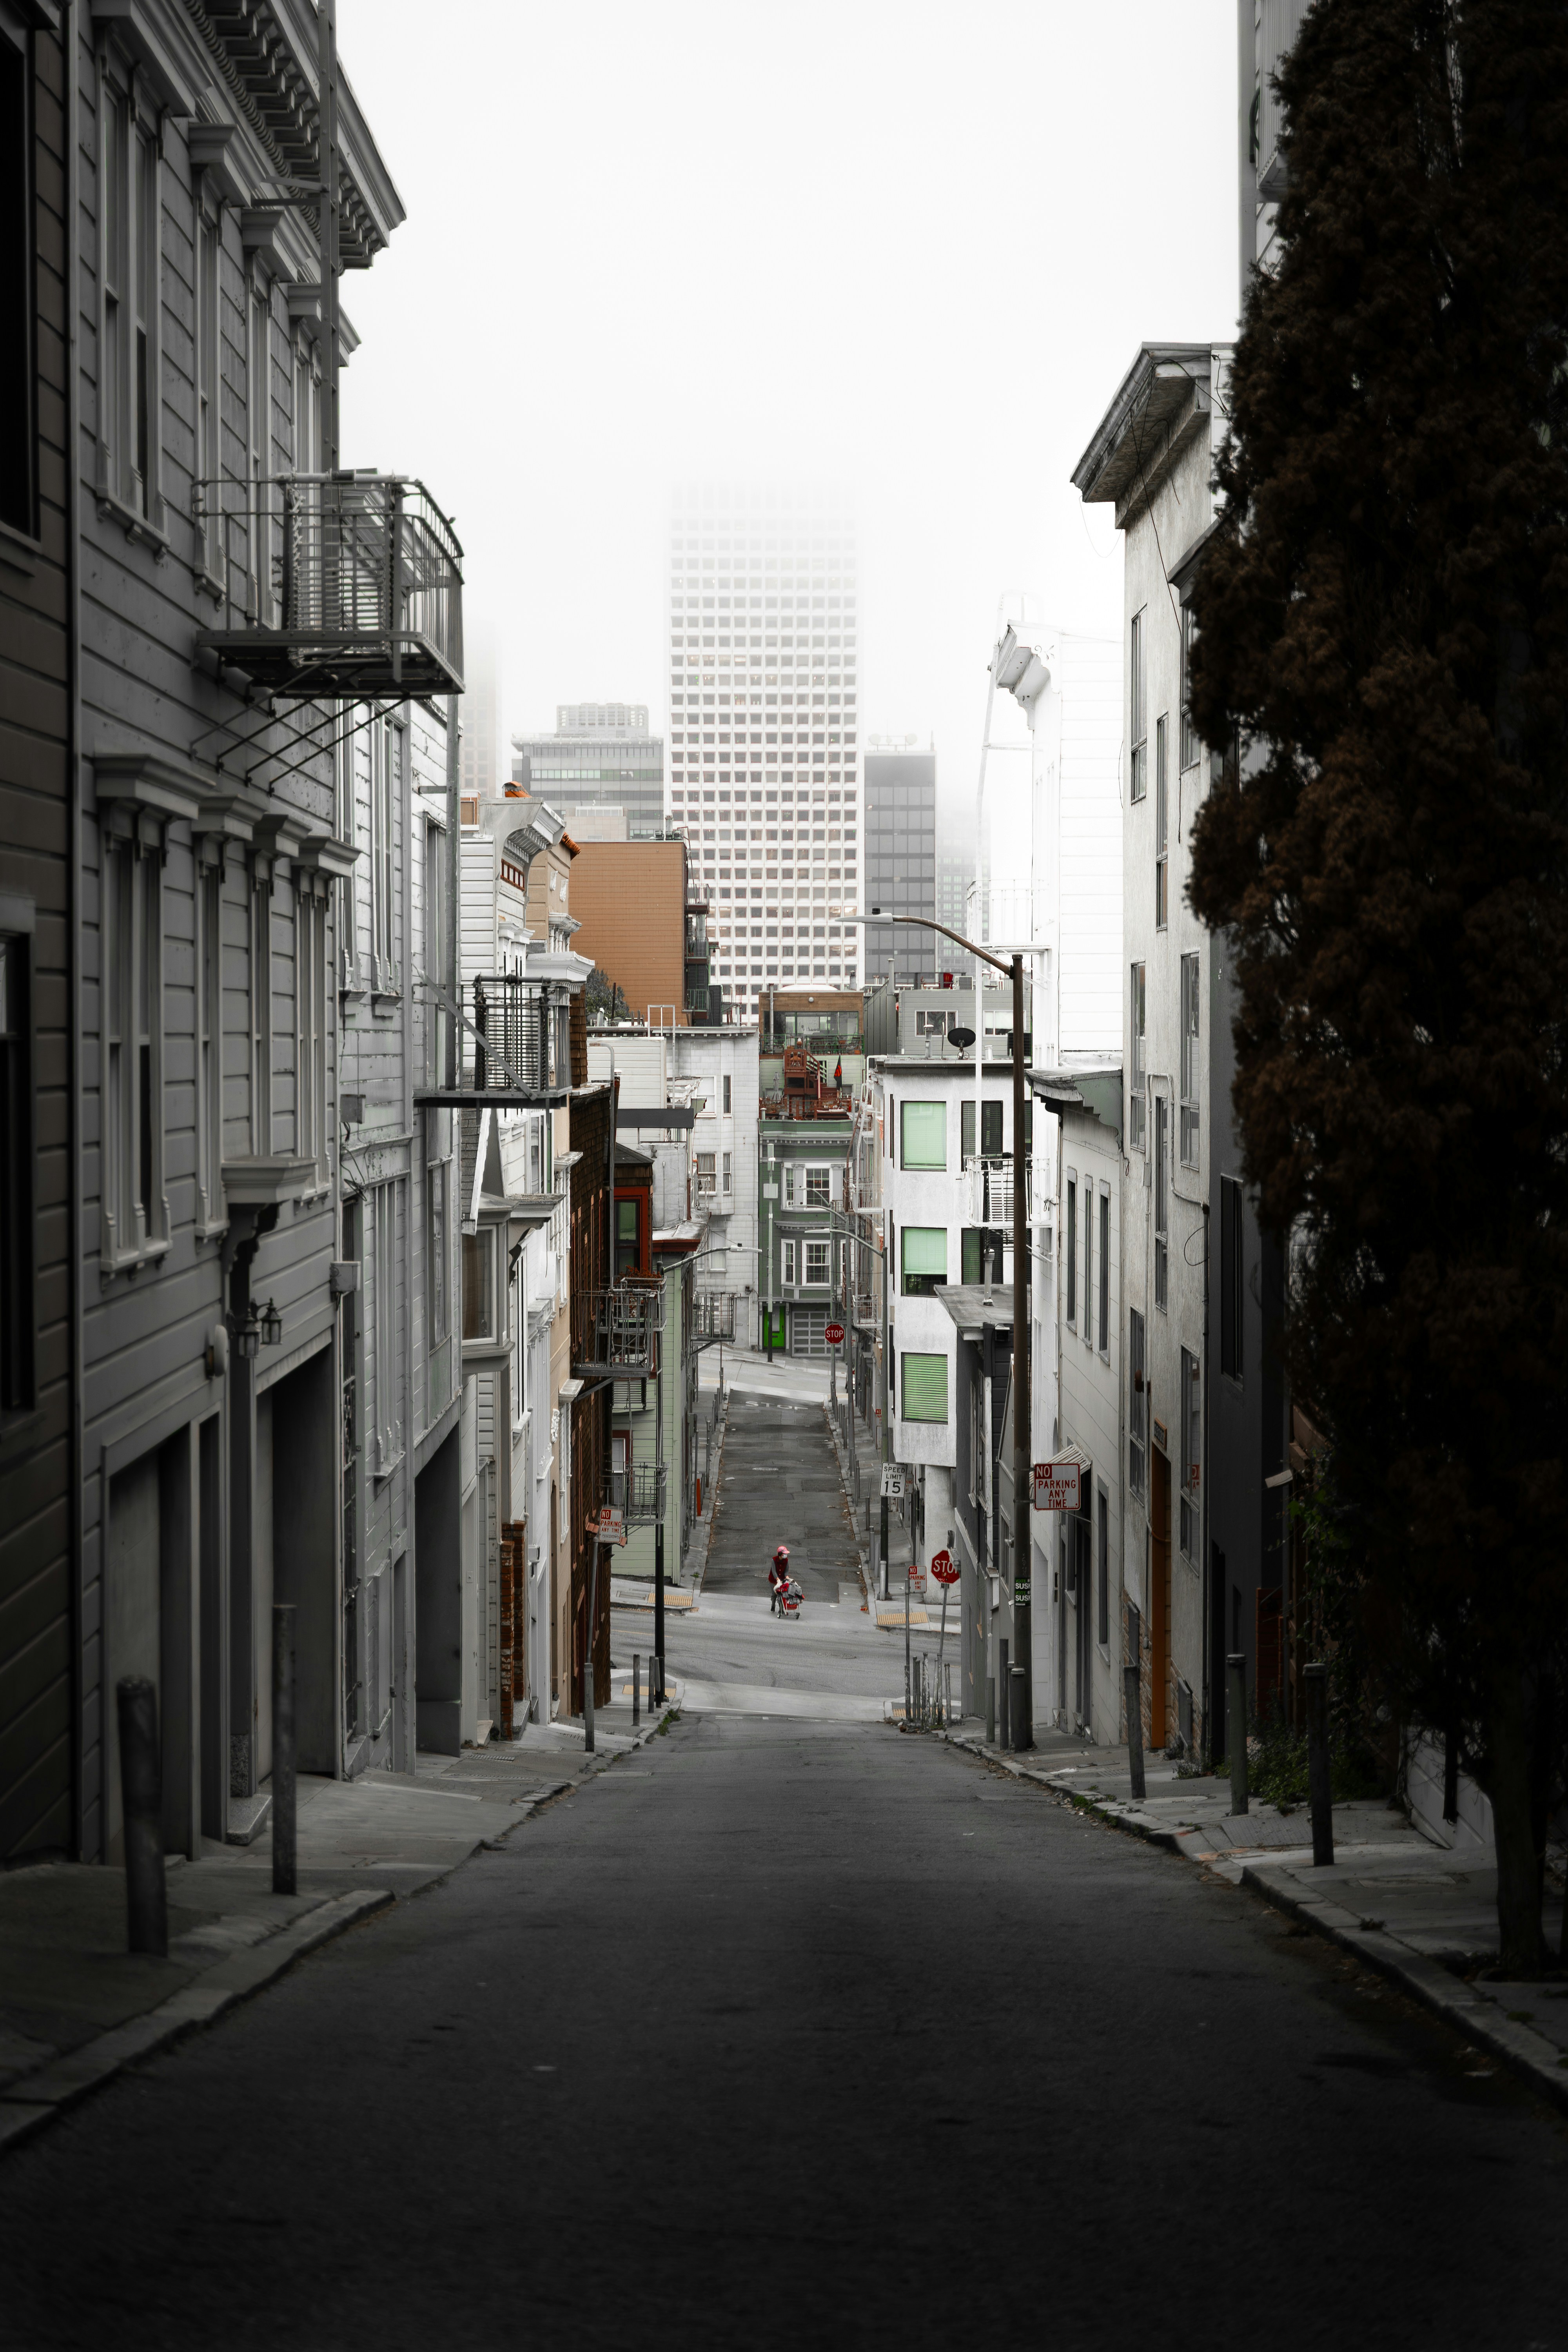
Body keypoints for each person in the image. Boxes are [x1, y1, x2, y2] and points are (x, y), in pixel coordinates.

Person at [769, 1545, 791, 1615]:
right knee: (774, 1595)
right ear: (781, 1554)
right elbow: (774, 1571)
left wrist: (787, 1578)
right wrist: (777, 1579)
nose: (786, 1555)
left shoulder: (786, 1561)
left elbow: (786, 1571)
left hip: (782, 1581)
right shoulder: (774, 1560)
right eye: (785, 1554)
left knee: (781, 1595)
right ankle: (773, 1605)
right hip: (774, 1580)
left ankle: (781, 1609)